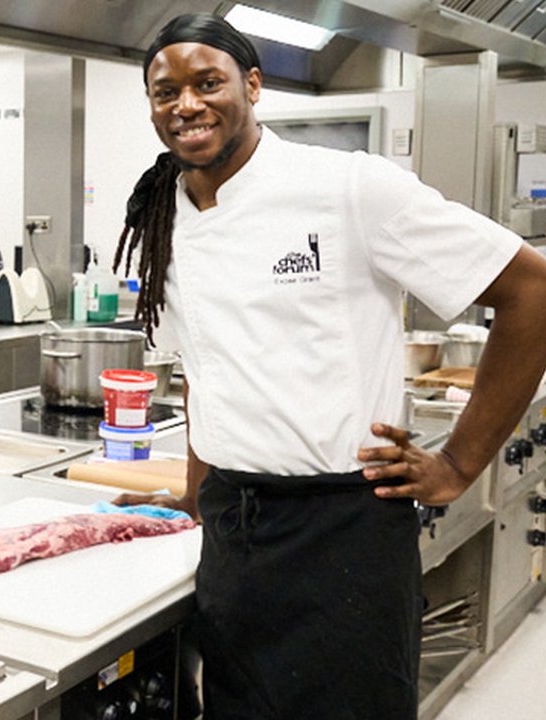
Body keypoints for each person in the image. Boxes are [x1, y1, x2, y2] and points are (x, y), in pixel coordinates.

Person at [110, 13, 546, 719]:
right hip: (233, 532)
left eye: (208, 82)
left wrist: (460, 465)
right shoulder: (168, 215)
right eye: (166, 92)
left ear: (253, 86)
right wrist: (195, 496)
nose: (186, 105)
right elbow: (203, 369)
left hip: (343, 532)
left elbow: (532, 291)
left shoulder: (347, 187)